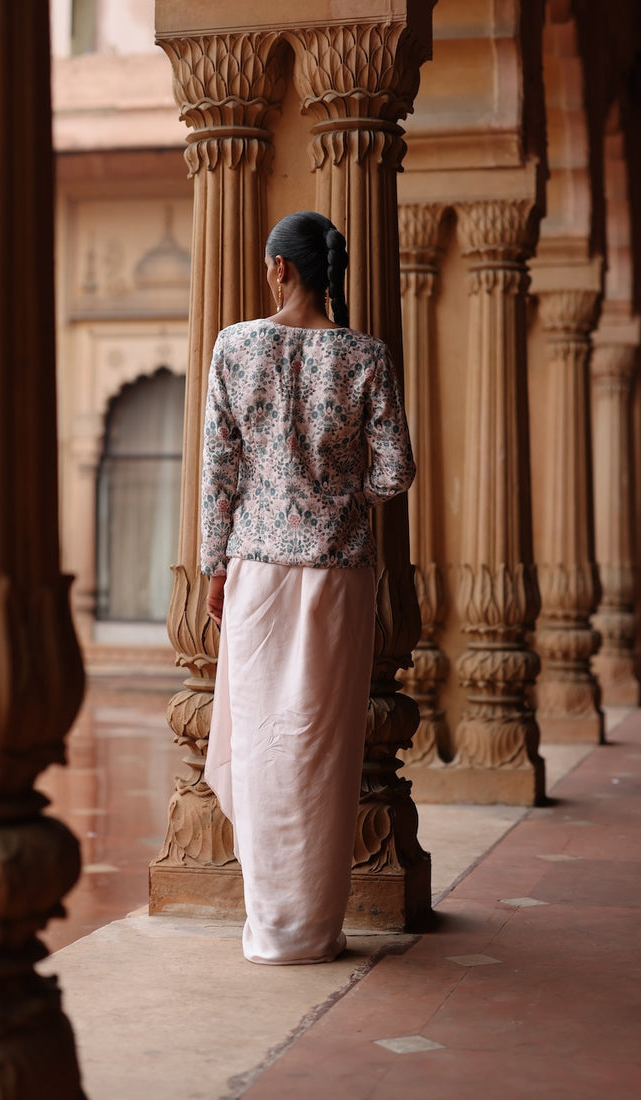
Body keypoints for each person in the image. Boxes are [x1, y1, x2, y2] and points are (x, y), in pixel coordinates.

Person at [200, 210, 415, 965]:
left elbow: (217, 473)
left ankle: (270, 930)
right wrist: (335, 492)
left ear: (279, 269)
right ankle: (314, 931)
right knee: (321, 748)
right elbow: (395, 474)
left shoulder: (235, 345)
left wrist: (213, 566)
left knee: (260, 747)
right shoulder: (365, 356)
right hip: (338, 574)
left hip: (255, 572)